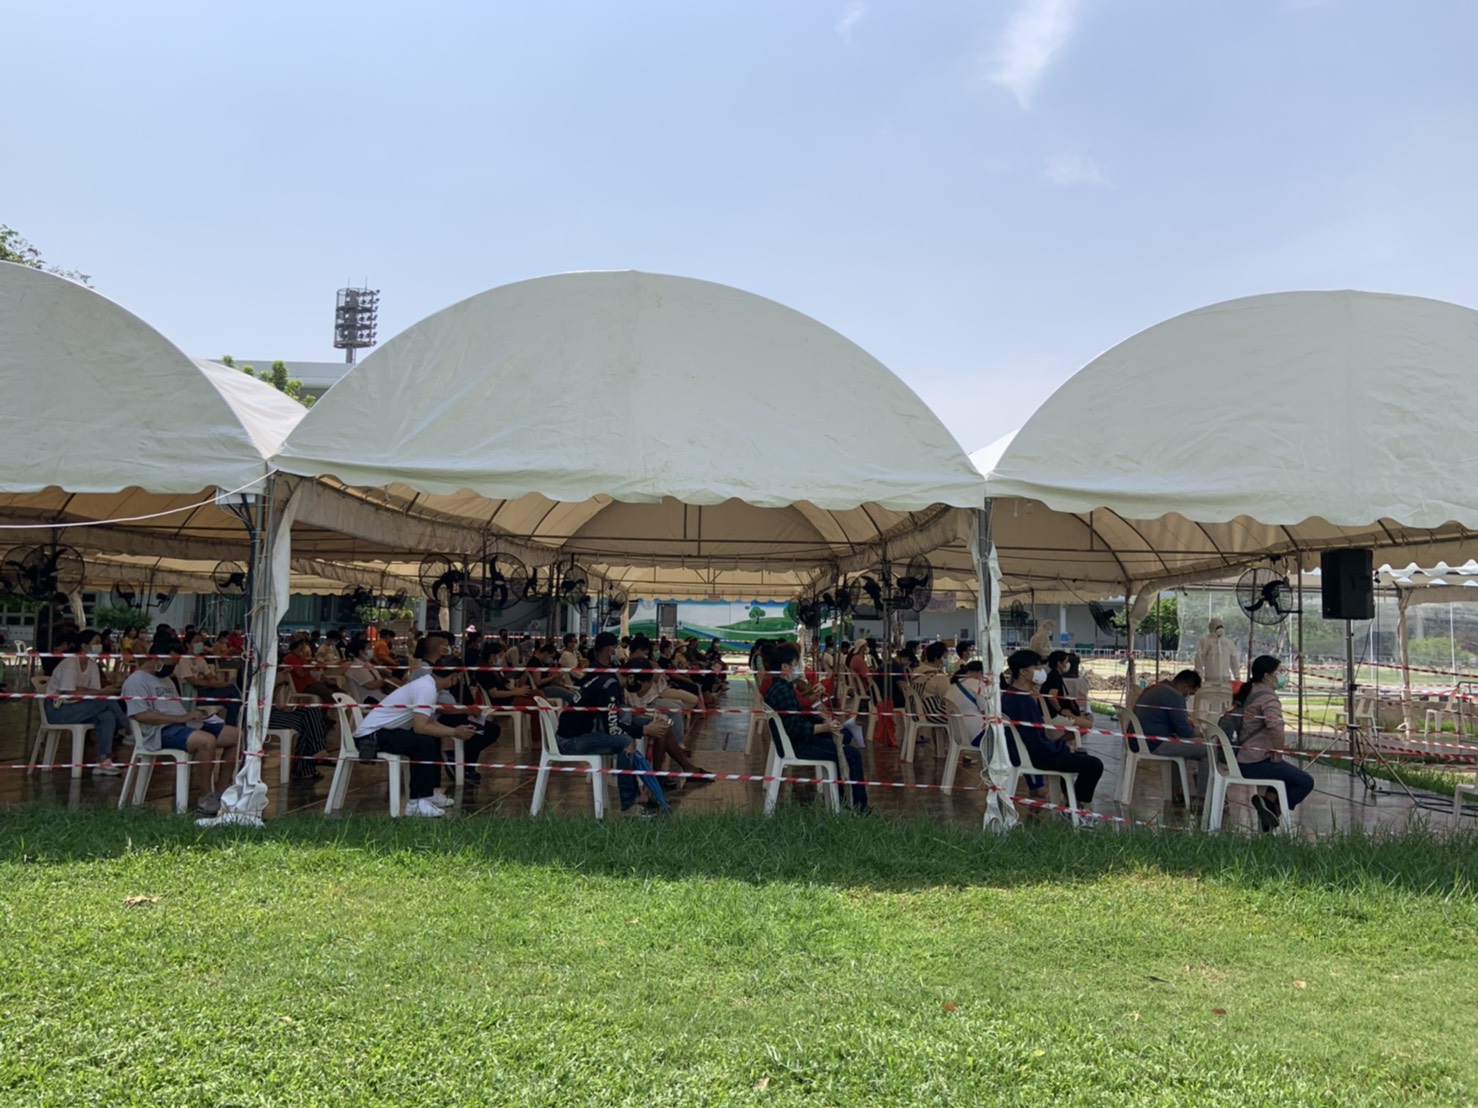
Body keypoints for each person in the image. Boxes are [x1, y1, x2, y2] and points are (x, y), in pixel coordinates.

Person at [556, 631, 670, 813]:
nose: (639, 690)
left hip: (582, 732)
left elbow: (613, 720)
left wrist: (642, 726)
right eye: (641, 685)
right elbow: (613, 728)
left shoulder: (608, 679)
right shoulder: (610, 686)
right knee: (626, 743)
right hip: (570, 741)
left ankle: (639, 794)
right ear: (631, 678)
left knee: (629, 736)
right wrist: (644, 730)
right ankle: (629, 804)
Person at [122, 654, 241, 815]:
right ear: (157, 659)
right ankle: (205, 795)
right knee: (206, 741)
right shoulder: (135, 681)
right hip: (158, 731)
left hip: (183, 724)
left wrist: (192, 716)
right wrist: (180, 719)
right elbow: (141, 715)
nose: (172, 668)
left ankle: (222, 791)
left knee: (236, 736)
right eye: (170, 663)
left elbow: (176, 708)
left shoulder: (167, 680)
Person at [763, 642, 869, 813]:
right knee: (852, 755)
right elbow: (796, 729)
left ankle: (843, 799)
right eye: (795, 665)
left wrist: (822, 722)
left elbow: (796, 714)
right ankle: (860, 809)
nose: (797, 669)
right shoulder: (782, 691)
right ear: (785, 667)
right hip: (798, 745)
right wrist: (825, 727)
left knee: (844, 736)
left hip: (794, 740)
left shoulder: (779, 687)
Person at [352, 670, 473, 817]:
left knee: (432, 739)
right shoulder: (426, 688)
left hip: (386, 731)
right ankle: (416, 802)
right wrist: (454, 732)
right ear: (453, 677)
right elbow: (420, 727)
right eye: (457, 677)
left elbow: (430, 722)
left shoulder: (429, 686)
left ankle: (428, 793)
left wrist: (454, 731)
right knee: (423, 743)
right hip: (371, 735)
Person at [1000, 648, 1104, 812]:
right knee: (1094, 765)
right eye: (1037, 668)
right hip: (1036, 756)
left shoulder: (1013, 695)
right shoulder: (1022, 701)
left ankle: (1071, 800)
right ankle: (1076, 807)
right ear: (1023, 672)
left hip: (1029, 752)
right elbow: (1036, 742)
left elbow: (1035, 737)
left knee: (1079, 755)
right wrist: (1061, 747)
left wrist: (1059, 746)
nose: (1041, 671)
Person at [1232, 654, 1314, 831]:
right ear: (1267, 676)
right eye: (1279, 672)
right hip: (1256, 762)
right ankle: (1273, 810)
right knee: (1305, 781)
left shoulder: (1252, 691)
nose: (1282, 675)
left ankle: (1268, 807)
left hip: (1243, 758)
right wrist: (1279, 753)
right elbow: (1276, 727)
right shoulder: (1268, 698)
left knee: (1284, 776)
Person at [44, 628, 128, 775]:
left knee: (107, 715)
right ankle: (129, 729)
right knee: (105, 701)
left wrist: (106, 690)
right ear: (84, 645)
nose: (99, 646)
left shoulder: (92, 665)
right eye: (96, 642)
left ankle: (104, 760)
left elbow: (94, 692)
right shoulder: (70, 663)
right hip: (58, 710)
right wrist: (102, 692)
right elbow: (70, 693)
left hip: (79, 708)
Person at [1131, 669, 1209, 800]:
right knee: (1208, 750)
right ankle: (1204, 797)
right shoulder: (1174, 696)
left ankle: (1177, 791)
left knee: (1181, 745)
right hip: (1154, 743)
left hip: (1139, 740)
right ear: (1185, 687)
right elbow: (1185, 733)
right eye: (1190, 693)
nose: (1188, 697)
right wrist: (1201, 735)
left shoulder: (1157, 688)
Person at [172, 629, 242, 725]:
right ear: (188, 645)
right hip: (192, 694)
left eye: (201, 641)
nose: (200, 644)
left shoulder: (200, 660)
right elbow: (193, 681)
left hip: (205, 690)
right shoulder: (183, 660)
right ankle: (234, 724)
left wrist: (210, 682)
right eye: (196, 642)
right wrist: (212, 683)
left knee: (231, 699)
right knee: (231, 691)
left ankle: (232, 725)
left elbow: (211, 677)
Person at [1039, 651, 1094, 730]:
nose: (1068, 664)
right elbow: (1052, 697)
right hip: (1053, 714)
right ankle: (1063, 738)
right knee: (1087, 725)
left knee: (1086, 719)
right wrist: (1061, 710)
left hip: (1054, 712)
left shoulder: (1054, 675)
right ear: (1059, 663)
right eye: (1066, 661)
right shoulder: (1055, 677)